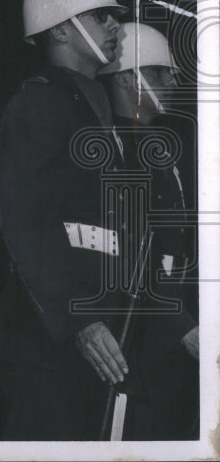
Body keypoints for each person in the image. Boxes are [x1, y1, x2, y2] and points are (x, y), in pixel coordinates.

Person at [0, 0, 129, 440]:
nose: (115, 26)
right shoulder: (39, 104)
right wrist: (82, 320)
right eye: (100, 17)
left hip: (97, 329)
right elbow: (28, 222)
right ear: (62, 29)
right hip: (48, 335)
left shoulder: (95, 109)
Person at [96, 22, 198, 439]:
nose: (172, 79)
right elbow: (129, 256)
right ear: (126, 78)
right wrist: (182, 328)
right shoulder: (113, 146)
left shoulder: (162, 144)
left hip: (170, 335)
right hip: (135, 337)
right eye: (159, 71)